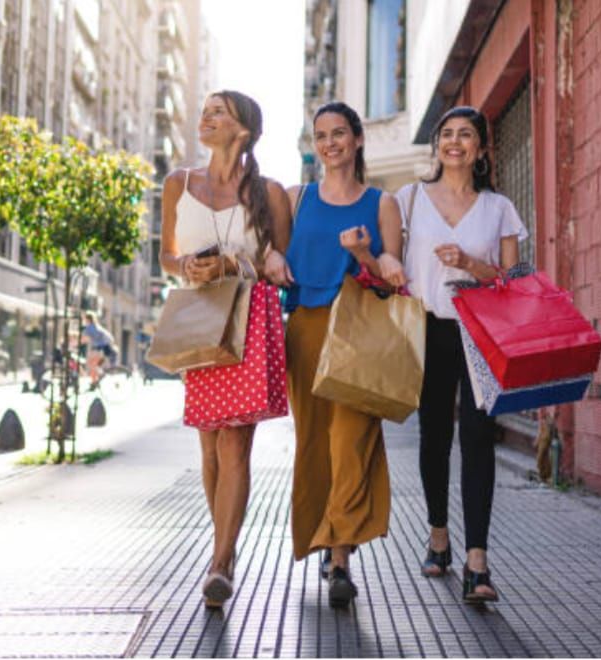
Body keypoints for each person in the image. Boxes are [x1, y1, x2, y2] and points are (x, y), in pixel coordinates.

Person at [382, 105, 527, 602]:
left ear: (482, 148)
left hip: (480, 331)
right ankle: (438, 533)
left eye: (467, 134)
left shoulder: (499, 208)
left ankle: (478, 561)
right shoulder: (408, 199)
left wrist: (469, 262)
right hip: (427, 326)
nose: (455, 142)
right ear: (437, 145)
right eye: (447, 134)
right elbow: (388, 260)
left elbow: (511, 280)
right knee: (435, 435)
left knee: (479, 436)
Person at [266, 101, 402, 609]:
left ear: (358, 139)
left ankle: (340, 556)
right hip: (305, 329)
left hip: (360, 331)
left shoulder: (382, 203)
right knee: (314, 443)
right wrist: (271, 256)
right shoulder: (296, 199)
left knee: (352, 440)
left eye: (339, 133)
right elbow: (271, 256)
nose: (330, 143)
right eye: (321, 135)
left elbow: (394, 278)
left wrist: (367, 255)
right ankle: (325, 541)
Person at [159, 90, 291, 608]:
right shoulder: (178, 183)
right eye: (205, 110)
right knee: (210, 446)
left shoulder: (271, 192)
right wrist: (186, 266)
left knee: (235, 443)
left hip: (247, 321)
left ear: (244, 129)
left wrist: (236, 265)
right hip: (198, 318)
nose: (205, 117)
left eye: (218, 111)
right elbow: (167, 255)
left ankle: (221, 561)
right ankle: (225, 546)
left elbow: (281, 268)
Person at [81, 311, 118, 390]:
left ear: (88, 319)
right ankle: (95, 381)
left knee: (91, 364)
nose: (83, 320)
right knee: (93, 365)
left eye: (84, 319)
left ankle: (99, 377)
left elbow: (84, 339)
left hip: (101, 349)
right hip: (105, 348)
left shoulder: (90, 328)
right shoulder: (96, 326)